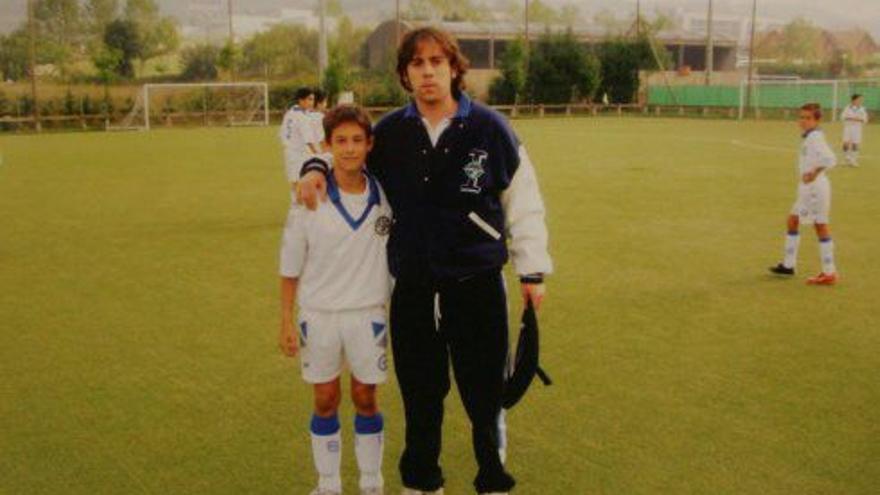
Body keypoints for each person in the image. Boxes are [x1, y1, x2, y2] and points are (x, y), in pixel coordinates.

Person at [297, 27, 552, 495]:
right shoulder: (391, 133)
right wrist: (313, 167)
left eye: (437, 61)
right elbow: (347, 160)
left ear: (454, 68)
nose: (428, 71)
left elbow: (524, 201)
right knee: (420, 396)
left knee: (484, 395)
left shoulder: (490, 128)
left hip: (476, 284)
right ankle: (421, 482)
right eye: (417, 63)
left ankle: (491, 478)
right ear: (405, 74)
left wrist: (532, 269)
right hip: (413, 288)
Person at [279, 105, 393, 495]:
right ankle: (328, 484)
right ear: (327, 145)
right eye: (341, 141)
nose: (349, 149)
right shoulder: (309, 198)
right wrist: (285, 320)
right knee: (325, 398)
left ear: (369, 144)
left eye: (357, 140)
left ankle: (371, 482)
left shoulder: (384, 195)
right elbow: (290, 263)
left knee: (366, 396)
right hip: (319, 313)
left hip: (368, 313)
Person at [770, 102, 839, 285]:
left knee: (820, 226)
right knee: (793, 221)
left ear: (817, 120)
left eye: (808, 118)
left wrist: (814, 172)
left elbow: (831, 159)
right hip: (808, 189)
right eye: (801, 117)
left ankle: (829, 272)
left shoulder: (815, 137)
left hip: (815, 189)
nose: (803, 121)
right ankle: (788, 265)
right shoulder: (810, 137)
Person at [279, 87, 321, 188]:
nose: (312, 102)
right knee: (301, 184)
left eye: (313, 99)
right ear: (301, 100)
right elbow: (309, 140)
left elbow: (281, 133)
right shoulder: (301, 117)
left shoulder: (290, 112)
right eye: (309, 99)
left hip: (289, 153)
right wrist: (319, 155)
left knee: (295, 183)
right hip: (299, 155)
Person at [841, 94, 868, 167]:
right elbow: (843, 117)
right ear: (854, 100)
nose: (860, 101)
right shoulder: (847, 108)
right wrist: (851, 118)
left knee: (855, 144)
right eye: (859, 99)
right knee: (845, 143)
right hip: (848, 127)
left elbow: (865, 119)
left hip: (857, 128)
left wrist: (858, 119)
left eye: (861, 100)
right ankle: (846, 158)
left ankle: (854, 160)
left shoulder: (862, 109)